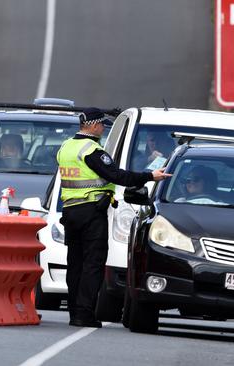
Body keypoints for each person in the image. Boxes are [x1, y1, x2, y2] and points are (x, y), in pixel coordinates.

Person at [56, 107, 171, 328]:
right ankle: (84, 314)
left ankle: (74, 311)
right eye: (101, 125)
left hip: (70, 211)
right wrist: (150, 175)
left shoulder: (66, 147)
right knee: (93, 264)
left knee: (75, 263)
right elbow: (117, 176)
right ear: (92, 125)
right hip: (91, 212)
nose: (102, 129)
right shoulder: (91, 150)